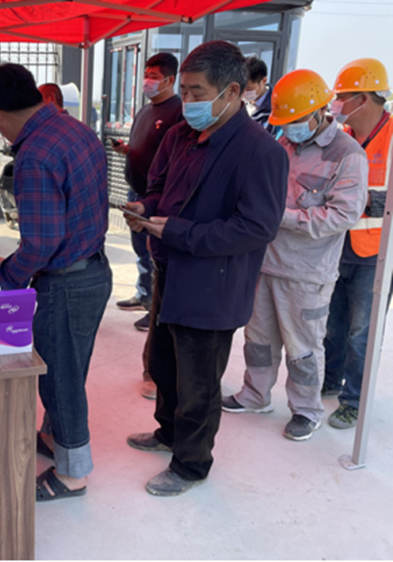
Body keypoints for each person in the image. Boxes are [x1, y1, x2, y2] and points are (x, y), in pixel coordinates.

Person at [122, 41, 288, 496]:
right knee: (163, 363)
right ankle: (169, 432)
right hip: (169, 268)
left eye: (198, 93)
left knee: (198, 382)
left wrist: (179, 232)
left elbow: (256, 227)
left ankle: (191, 465)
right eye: (186, 92)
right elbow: (159, 189)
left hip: (213, 285)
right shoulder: (179, 136)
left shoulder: (260, 151)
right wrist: (144, 208)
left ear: (232, 91)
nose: (188, 101)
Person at [0, 63, 112, 502]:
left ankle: (72, 474)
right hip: (93, 270)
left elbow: (43, 242)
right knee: (70, 368)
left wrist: (10, 272)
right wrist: (22, 261)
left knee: (59, 379)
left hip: (65, 283)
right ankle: (54, 438)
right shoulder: (76, 130)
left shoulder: (34, 154)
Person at [222, 69, 368, 441]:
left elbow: (342, 216)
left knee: (303, 348)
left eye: (297, 120)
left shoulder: (348, 154)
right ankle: (255, 394)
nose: (290, 128)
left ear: (320, 112)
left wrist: (279, 216)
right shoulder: (283, 144)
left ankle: (306, 410)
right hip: (266, 261)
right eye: (285, 122)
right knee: (258, 338)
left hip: (307, 272)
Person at [323, 58, 393, 429]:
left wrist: (362, 200)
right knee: (332, 325)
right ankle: (330, 379)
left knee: (361, 332)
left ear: (363, 98)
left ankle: (354, 400)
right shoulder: (342, 136)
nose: (337, 104)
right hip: (338, 246)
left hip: (377, 253)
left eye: (342, 96)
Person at [113, 52, 183, 348]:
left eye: (154, 77)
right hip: (137, 191)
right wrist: (128, 150)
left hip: (158, 197)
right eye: (146, 75)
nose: (147, 82)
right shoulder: (145, 111)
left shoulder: (177, 111)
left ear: (170, 80)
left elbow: (173, 157)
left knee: (156, 253)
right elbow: (145, 146)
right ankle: (143, 294)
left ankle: (155, 308)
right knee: (140, 249)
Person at [243, 56, 278, 137]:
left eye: (249, 88)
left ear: (264, 81)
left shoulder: (276, 109)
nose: (244, 93)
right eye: (242, 88)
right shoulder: (237, 104)